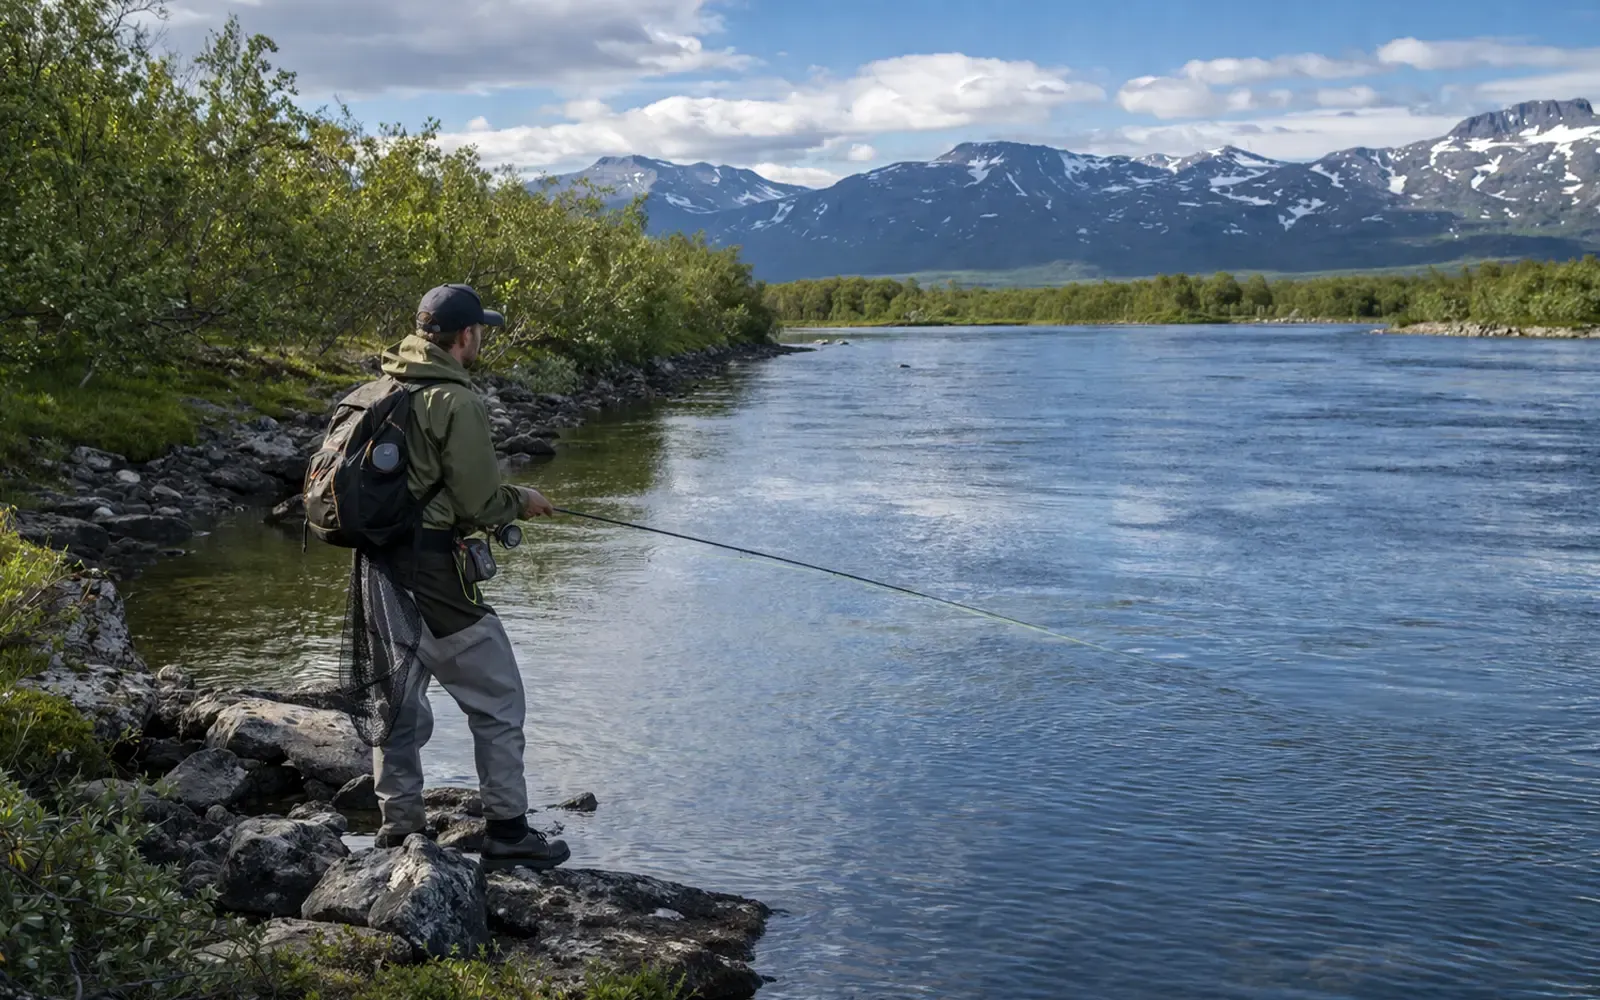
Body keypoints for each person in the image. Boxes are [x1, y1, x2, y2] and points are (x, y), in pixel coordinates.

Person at [371, 282, 570, 869]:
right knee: (499, 695)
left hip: (374, 566)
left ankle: (397, 826)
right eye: (479, 329)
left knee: (398, 700)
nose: (480, 337)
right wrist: (522, 498)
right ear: (465, 336)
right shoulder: (455, 401)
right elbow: (481, 503)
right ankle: (508, 829)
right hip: (433, 571)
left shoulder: (378, 388)